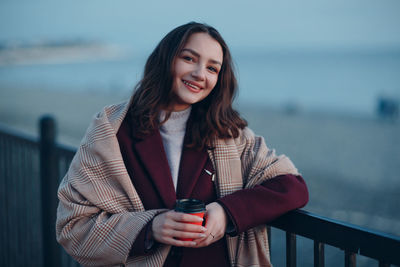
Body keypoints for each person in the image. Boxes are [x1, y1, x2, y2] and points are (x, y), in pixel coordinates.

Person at [56, 22, 308, 267]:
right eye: (189, 58)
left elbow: (292, 186)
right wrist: (149, 228)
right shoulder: (111, 131)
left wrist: (226, 212)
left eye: (212, 68)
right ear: (166, 60)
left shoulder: (229, 133)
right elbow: (73, 227)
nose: (200, 74)